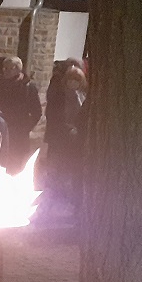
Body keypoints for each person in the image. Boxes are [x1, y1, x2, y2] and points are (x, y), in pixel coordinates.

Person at [42, 66, 86, 213]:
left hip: (76, 140)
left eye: (77, 80)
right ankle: (53, 198)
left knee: (71, 169)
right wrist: (67, 129)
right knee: (57, 168)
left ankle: (68, 200)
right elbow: (54, 117)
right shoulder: (60, 96)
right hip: (60, 138)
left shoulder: (81, 96)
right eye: (71, 79)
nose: (74, 83)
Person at [0, 55, 42, 172]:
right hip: (1, 129)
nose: (5, 71)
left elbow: (36, 112)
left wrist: (25, 128)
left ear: (17, 69)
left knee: (15, 167)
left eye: (9, 69)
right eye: (4, 68)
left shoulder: (28, 88)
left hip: (18, 134)